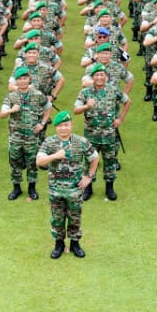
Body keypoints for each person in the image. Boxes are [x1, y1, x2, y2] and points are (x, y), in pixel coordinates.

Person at [36, 111, 99, 259]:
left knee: (75, 217)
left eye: (66, 125)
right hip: (56, 190)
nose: (63, 128)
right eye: (60, 126)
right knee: (57, 218)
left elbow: (94, 157)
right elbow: (39, 161)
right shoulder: (49, 142)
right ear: (56, 127)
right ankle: (59, 244)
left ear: (71, 125)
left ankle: (75, 243)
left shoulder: (81, 142)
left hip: (75, 190)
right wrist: (55, 156)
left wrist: (89, 176)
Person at [72, 64, 130, 201]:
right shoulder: (85, 92)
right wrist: (87, 106)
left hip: (109, 134)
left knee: (110, 161)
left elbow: (127, 102)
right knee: (89, 161)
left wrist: (120, 119)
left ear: (106, 77)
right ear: (92, 77)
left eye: (102, 75)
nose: (99, 77)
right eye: (96, 75)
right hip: (91, 135)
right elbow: (75, 110)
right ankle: (88, 189)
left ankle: (109, 188)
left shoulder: (113, 90)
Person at [0, 67, 51, 201]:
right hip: (16, 136)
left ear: (29, 79)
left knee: (32, 162)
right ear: (16, 81)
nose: (22, 81)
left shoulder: (38, 95)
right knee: (14, 161)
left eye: (25, 78)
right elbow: (2, 114)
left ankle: (31, 188)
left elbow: (48, 108)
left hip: (32, 136)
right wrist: (11, 110)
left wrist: (42, 123)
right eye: (20, 79)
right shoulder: (11, 96)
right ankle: (16, 187)